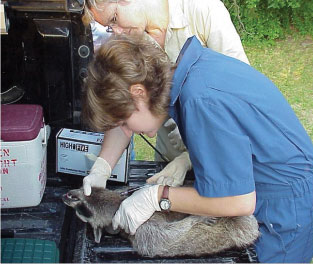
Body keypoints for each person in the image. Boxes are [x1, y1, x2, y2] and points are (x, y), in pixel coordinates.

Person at [82, 34, 313, 263]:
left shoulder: (201, 101)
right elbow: (125, 109)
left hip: (284, 206)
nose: (126, 131)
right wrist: (103, 166)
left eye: (123, 122)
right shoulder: (186, 73)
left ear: (139, 93)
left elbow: (237, 201)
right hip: (265, 186)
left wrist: (156, 197)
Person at [82, 0, 250, 193]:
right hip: (168, 162)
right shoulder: (128, 37)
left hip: (218, 159)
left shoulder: (203, 11)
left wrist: (189, 159)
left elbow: (239, 98)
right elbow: (124, 112)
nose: (117, 31)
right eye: (110, 27)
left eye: (114, 18)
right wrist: (102, 168)